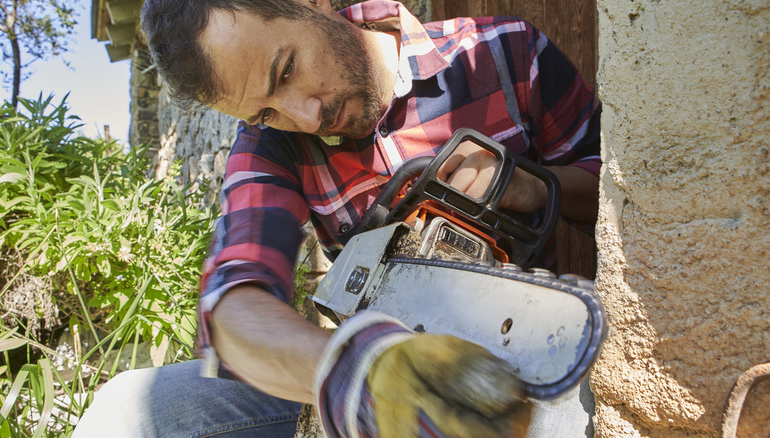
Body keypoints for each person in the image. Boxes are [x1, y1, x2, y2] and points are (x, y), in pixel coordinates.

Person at [74, 0, 601, 436]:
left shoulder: (505, 52)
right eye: (265, 110)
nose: (304, 116)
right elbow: (235, 306)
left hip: (521, 364)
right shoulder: (270, 146)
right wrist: (361, 373)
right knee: (124, 410)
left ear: (313, 5)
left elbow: (622, 194)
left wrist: (532, 186)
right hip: (380, 389)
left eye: (286, 69)